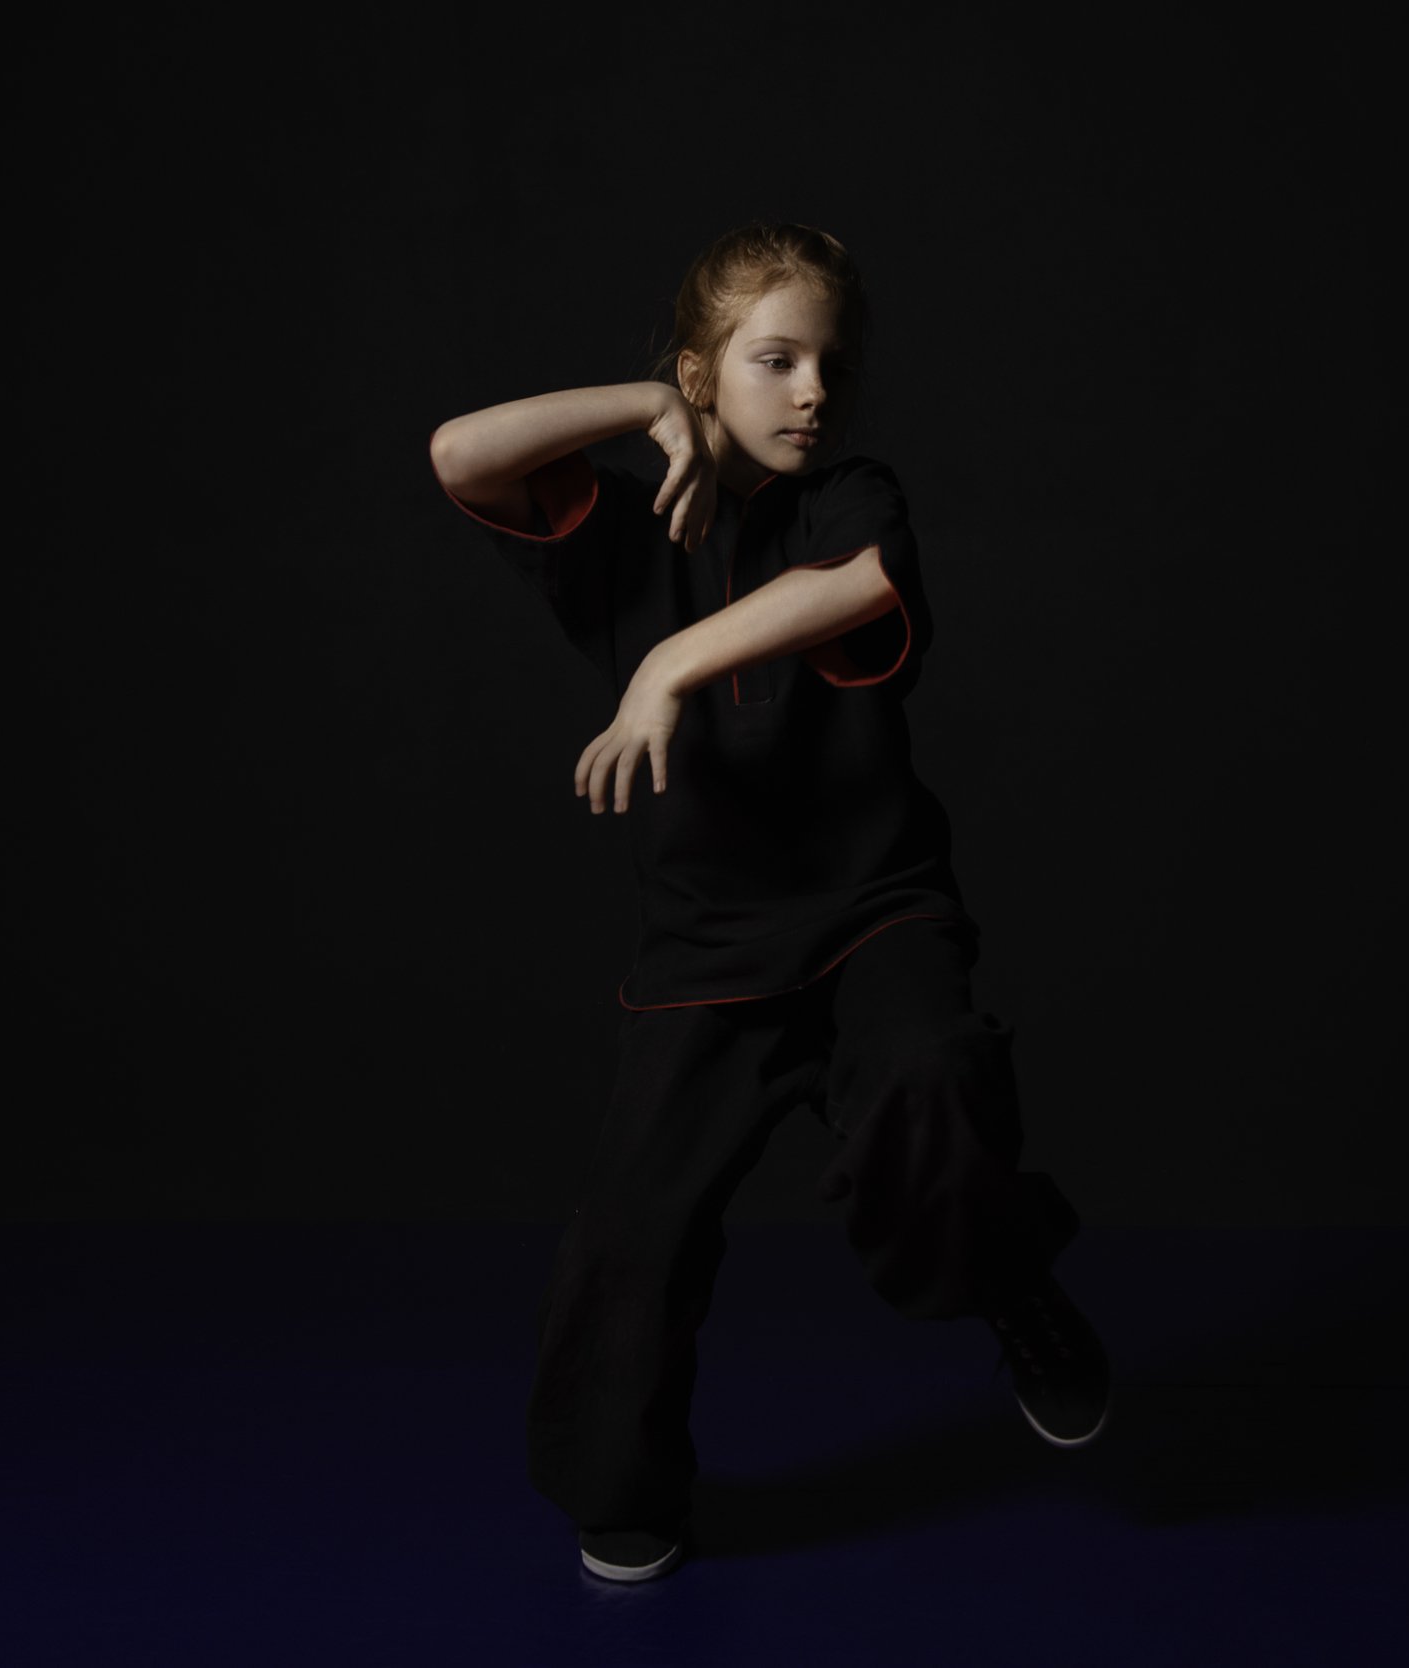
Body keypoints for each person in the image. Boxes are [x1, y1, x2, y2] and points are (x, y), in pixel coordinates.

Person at [427, 222, 1108, 1584]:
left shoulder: (850, 497)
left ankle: (1008, 1284)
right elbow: (458, 453)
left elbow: (862, 585)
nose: (813, 392)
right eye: (776, 360)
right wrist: (641, 404)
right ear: (703, 372)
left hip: (873, 913)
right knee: (631, 1239)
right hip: (707, 948)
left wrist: (668, 665)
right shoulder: (623, 530)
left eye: (830, 366)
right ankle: (625, 1489)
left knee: (930, 1085)